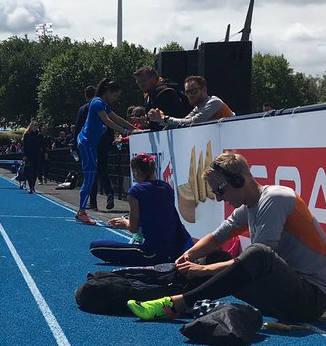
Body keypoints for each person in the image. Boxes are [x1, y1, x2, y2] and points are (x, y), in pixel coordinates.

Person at [128, 152, 326, 323]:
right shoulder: (248, 206)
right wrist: (189, 255)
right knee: (213, 258)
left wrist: (203, 271)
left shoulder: (276, 198)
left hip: (311, 300)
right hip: (283, 293)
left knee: (256, 254)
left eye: (220, 191)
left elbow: (261, 257)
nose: (220, 199)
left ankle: (177, 304)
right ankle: (173, 298)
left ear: (238, 181)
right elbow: (216, 237)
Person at [90, 153, 193, 266]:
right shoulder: (166, 187)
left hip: (152, 254)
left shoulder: (135, 192)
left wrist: (125, 222)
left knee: (95, 246)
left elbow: (133, 228)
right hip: (175, 251)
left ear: (136, 172)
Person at [75, 79, 136, 225]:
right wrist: (125, 131)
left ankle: (81, 210)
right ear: (108, 92)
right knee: (90, 177)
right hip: (87, 143)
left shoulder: (102, 104)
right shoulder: (96, 102)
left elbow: (116, 118)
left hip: (89, 143)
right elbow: (108, 121)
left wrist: (134, 128)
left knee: (91, 175)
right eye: (115, 95)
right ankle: (81, 212)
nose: (116, 99)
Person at [147, 75, 234, 127]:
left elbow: (192, 122)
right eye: (187, 92)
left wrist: (165, 118)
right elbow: (183, 122)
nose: (190, 95)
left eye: (193, 91)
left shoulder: (214, 102)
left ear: (204, 90)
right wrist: (159, 119)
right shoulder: (197, 108)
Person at [19, 121, 46, 193]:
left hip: (37, 155)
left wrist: (45, 152)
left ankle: (33, 185)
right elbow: (24, 146)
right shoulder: (27, 135)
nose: (35, 127)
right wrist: (25, 155)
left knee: (35, 171)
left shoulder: (39, 135)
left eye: (36, 126)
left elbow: (42, 145)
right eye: (34, 125)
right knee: (29, 171)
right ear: (31, 126)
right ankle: (30, 186)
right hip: (29, 155)